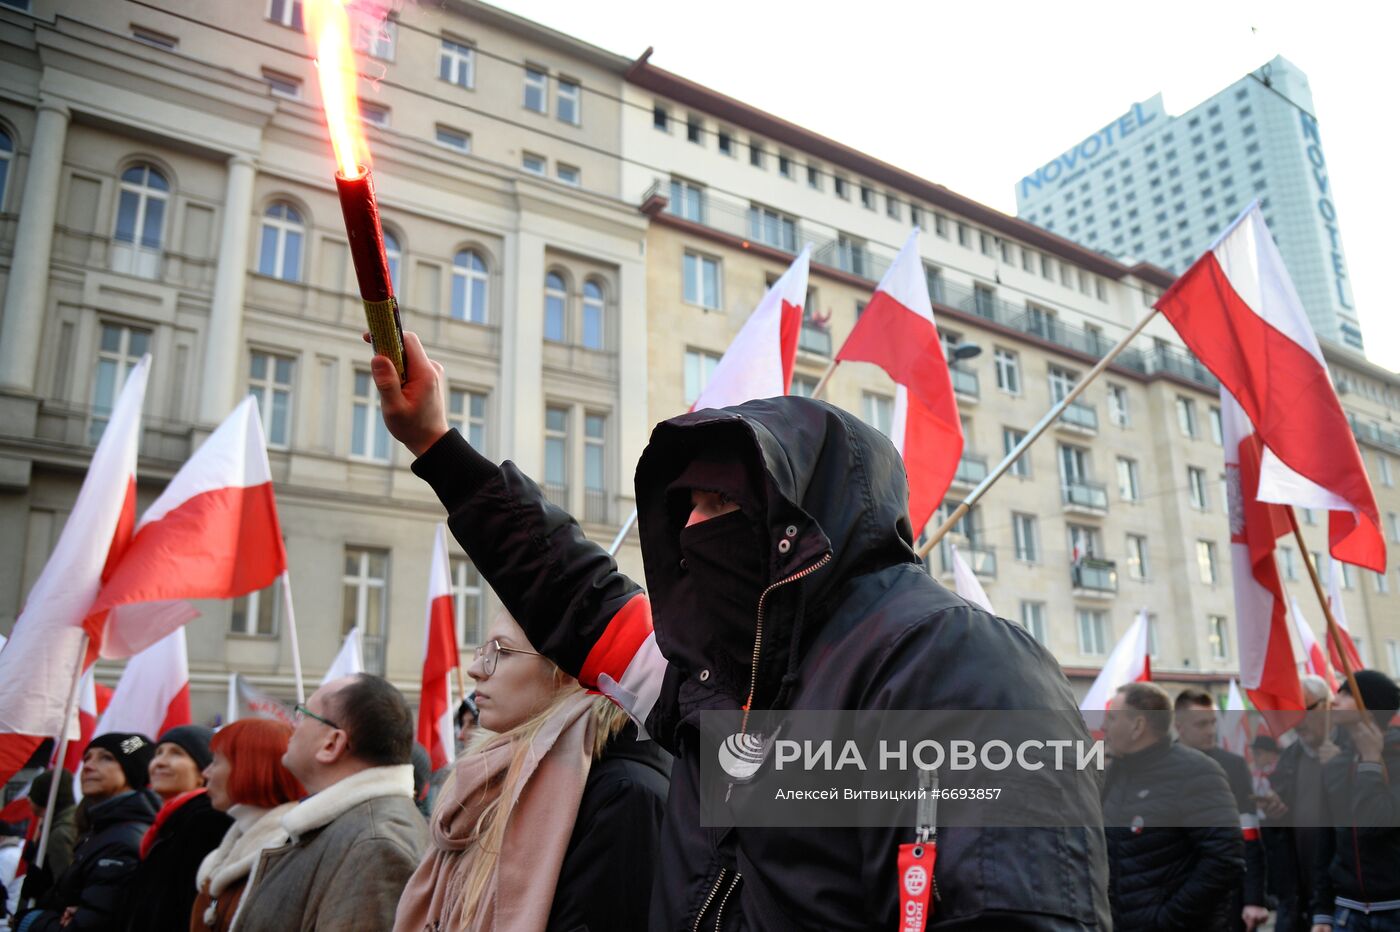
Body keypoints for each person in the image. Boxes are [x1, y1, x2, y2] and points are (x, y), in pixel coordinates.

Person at [374, 331, 1111, 927]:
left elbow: (1022, 907)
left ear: (796, 523)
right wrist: (437, 447)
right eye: (686, 506)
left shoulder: (953, 661)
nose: (691, 527)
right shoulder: (716, 687)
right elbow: (572, 591)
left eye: (718, 505)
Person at [394, 612, 670, 932]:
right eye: (484, 651)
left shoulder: (623, 794)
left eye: (503, 651)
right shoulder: (488, 776)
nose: (475, 670)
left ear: (567, 672)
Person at [233, 674, 427, 932]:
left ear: (332, 743)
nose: (293, 725)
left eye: (302, 714)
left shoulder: (375, 844)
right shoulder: (359, 829)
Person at [1102, 682, 1245, 931]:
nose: (1105, 727)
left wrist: (1169, 920)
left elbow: (1224, 859)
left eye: (1112, 718)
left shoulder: (1196, 772)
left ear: (1138, 726)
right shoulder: (1115, 773)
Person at [14, 733, 158, 932]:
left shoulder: (123, 840)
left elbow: (89, 926)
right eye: (87, 758)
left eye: (106, 758)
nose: (88, 766)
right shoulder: (101, 830)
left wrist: (31, 921)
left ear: (131, 771)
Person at [191, 719, 305, 932]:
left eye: (215, 761)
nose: (206, 773)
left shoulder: (287, 850)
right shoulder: (234, 844)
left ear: (250, 766)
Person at [1310, 670, 1400, 932]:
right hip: (1347, 913)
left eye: (1347, 693)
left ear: (1369, 709)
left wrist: (1371, 759)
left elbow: (1374, 823)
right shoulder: (1336, 766)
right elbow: (1326, 841)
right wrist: (1322, 912)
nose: (1335, 700)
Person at [117, 725, 231, 932]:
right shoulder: (169, 822)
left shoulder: (207, 822)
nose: (159, 762)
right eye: (158, 753)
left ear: (203, 771)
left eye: (176, 753)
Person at [1175, 687, 1271, 930]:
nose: (1210, 731)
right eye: (1201, 724)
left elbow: (1249, 834)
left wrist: (1253, 899)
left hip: (1227, 894)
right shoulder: (1157, 767)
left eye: (1212, 722)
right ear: (1179, 725)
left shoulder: (1233, 766)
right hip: (1173, 892)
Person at [1257, 675, 1334, 932]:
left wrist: (1342, 769)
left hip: (1345, 899)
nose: (1296, 721)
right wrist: (1274, 815)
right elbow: (1281, 832)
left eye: (1304, 710)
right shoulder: (1290, 757)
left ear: (1327, 705)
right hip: (1300, 899)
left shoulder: (1353, 750)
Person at [15, 769, 78, 908]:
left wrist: (42, 894)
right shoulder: (54, 825)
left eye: (33, 794)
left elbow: (65, 888)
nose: (28, 799)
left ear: (44, 798)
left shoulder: (60, 833)